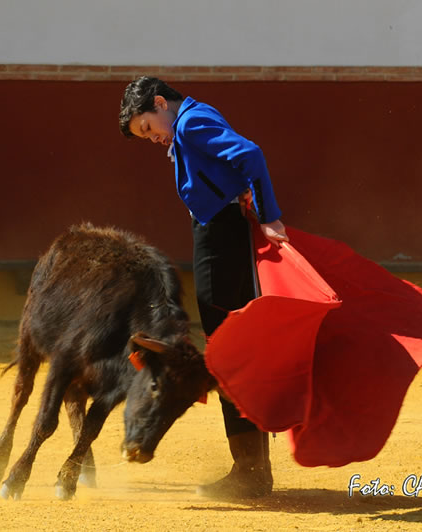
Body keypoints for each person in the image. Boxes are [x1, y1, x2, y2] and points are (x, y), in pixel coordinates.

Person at [119, 76, 288, 498]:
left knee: (226, 345)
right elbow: (237, 166)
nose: (153, 138)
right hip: (219, 230)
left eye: (147, 127)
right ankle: (251, 468)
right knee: (229, 345)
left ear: (160, 103)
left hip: (220, 235)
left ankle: (251, 473)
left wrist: (269, 214)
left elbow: (250, 155)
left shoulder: (191, 122)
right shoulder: (193, 119)